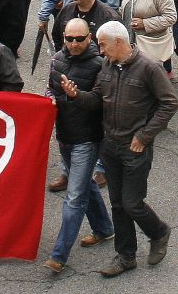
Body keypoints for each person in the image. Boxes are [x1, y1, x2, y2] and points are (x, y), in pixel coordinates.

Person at [60, 21, 178, 277]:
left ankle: (159, 232)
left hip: (135, 149)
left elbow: (169, 104)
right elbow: (96, 99)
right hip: (110, 146)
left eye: (102, 45)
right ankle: (125, 256)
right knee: (117, 204)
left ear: (118, 41)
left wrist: (145, 136)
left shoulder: (149, 67)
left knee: (132, 204)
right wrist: (75, 95)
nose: (100, 51)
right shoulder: (108, 66)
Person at [44, 17, 115, 272]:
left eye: (79, 39)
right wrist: (52, 98)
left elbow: (100, 102)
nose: (73, 44)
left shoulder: (100, 65)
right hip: (64, 135)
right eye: (69, 39)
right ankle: (104, 229)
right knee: (85, 185)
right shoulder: (57, 59)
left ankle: (59, 255)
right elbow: (49, 89)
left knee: (74, 197)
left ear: (90, 38)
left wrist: (76, 96)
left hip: (87, 138)